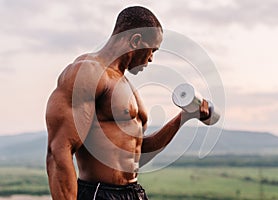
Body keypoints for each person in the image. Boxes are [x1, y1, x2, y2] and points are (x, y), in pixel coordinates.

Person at [46, 6, 210, 200]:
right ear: (136, 41)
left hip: (133, 193)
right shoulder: (87, 73)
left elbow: (137, 152)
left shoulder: (124, 84)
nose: (150, 58)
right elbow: (59, 152)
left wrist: (184, 117)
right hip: (99, 193)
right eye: (152, 50)